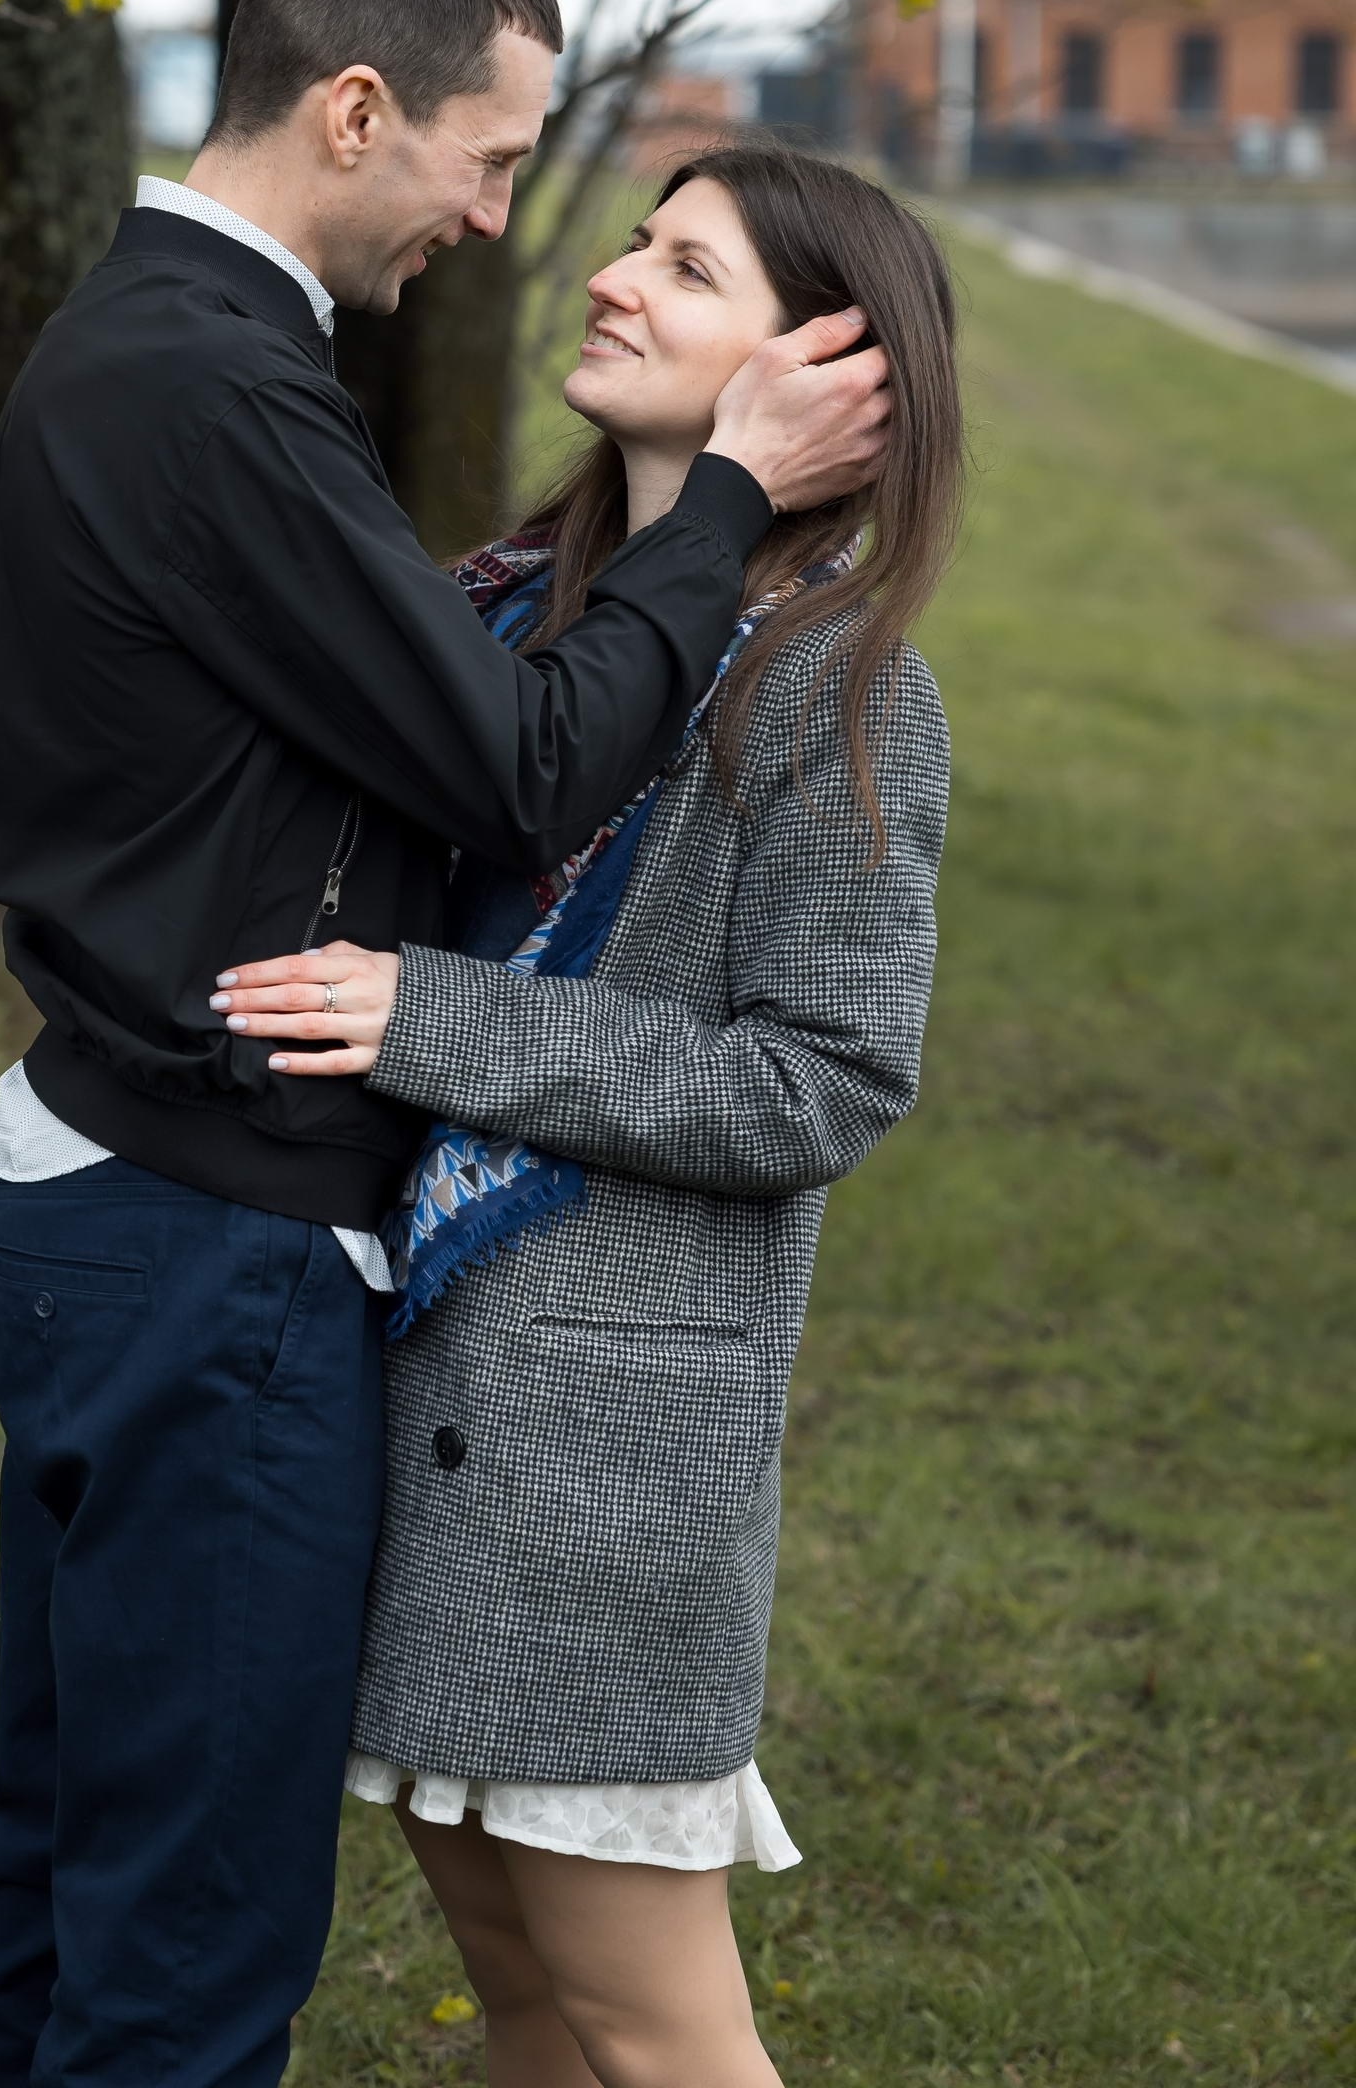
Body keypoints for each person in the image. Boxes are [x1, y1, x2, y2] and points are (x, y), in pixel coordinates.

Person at [0, 0, 890, 2088]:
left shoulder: (170, 350)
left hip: (146, 1206)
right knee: (177, 1931)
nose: (514, 224)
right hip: (207, 1235)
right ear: (357, 111)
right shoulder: (225, 380)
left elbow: (304, 688)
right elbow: (515, 758)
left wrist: (38, 580)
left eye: (672, 257)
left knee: (79, 1864)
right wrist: (725, 499)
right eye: (498, 159)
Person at [211, 142, 959, 2088]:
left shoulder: (837, 685)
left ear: (824, 371)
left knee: (650, 2023)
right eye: (634, 244)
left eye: (686, 268)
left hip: (600, 1465)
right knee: (526, 1995)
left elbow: (823, 1080)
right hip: (416, 1390)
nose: (616, 278)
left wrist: (434, 1020)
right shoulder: (501, 617)